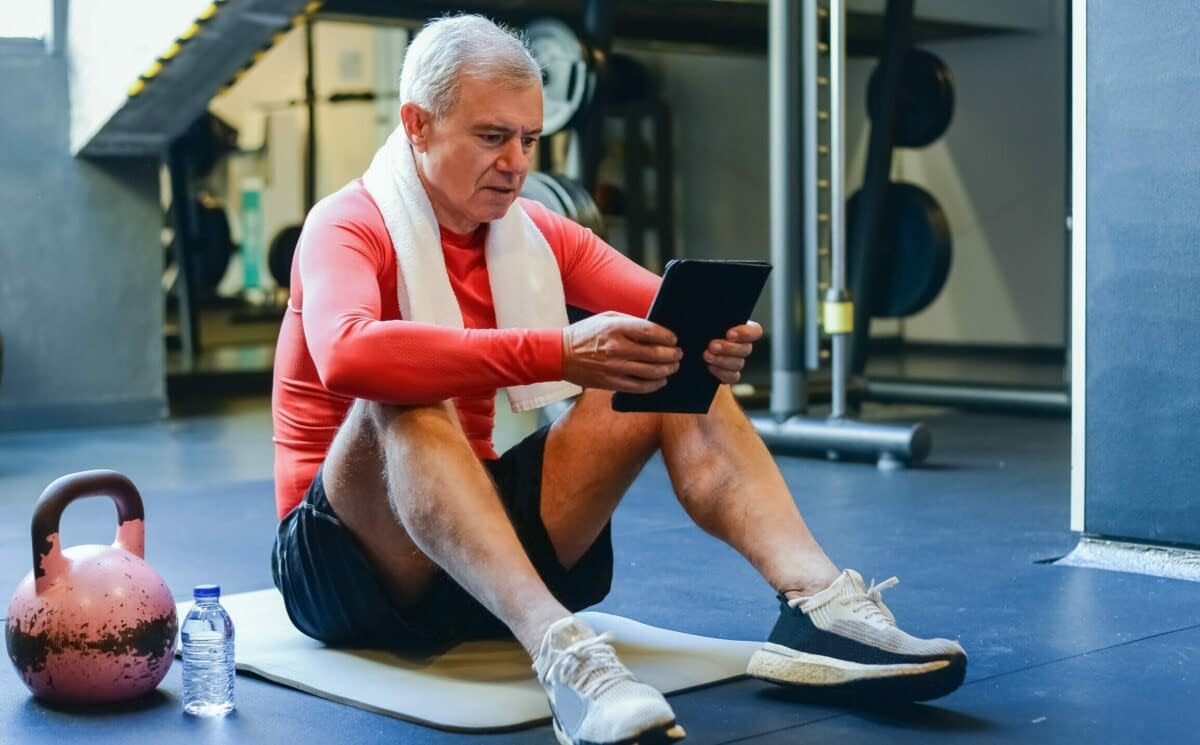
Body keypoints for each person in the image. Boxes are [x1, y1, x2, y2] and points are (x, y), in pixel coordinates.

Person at [270, 14, 966, 745]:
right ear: (417, 123)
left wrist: (716, 342)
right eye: (490, 137)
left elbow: (666, 316)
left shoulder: (534, 231)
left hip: (482, 549)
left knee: (666, 354)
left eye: (529, 140)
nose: (515, 162)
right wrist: (557, 353)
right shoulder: (347, 225)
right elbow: (349, 355)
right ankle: (565, 657)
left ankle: (818, 606)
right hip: (348, 568)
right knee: (404, 394)